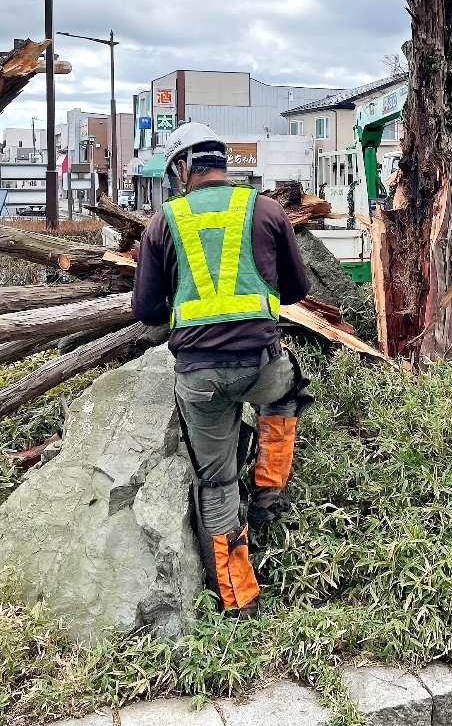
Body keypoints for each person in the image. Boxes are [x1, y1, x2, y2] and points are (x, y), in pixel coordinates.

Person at [131, 123, 313, 617]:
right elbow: (296, 291)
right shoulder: (267, 209)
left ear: (183, 168)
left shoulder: (161, 222)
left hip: (200, 377)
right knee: (287, 391)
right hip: (260, 365)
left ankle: (240, 599)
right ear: (222, 163)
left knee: (215, 483)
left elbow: (145, 310)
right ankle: (271, 489)